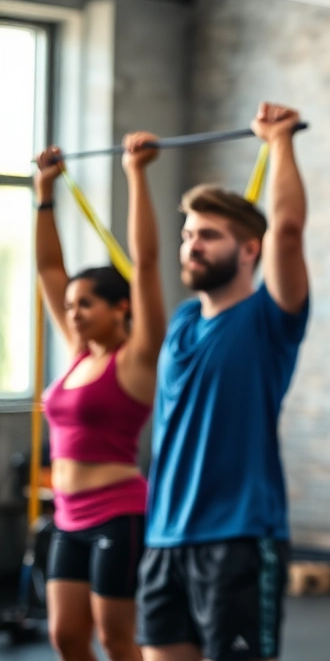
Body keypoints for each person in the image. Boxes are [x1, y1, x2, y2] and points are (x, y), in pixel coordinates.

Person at [136, 103, 311, 661]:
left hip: (238, 539)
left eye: (208, 235)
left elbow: (287, 229)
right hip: (164, 538)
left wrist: (280, 141)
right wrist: (135, 175)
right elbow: (143, 263)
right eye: (189, 234)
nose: (192, 245)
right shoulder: (184, 322)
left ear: (248, 250)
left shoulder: (269, 318)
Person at [34, 135, 167, 661]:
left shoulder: (136, 358)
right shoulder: (75, 354)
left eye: (86, 304)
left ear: (121, 308)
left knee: (117, 642)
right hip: (66, 514)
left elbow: (150, 264)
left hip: (119, 512)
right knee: (66, 638)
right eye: (70, 306)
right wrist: (44, 193)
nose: (73, 313)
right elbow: (48, 270)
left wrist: (136, 173)